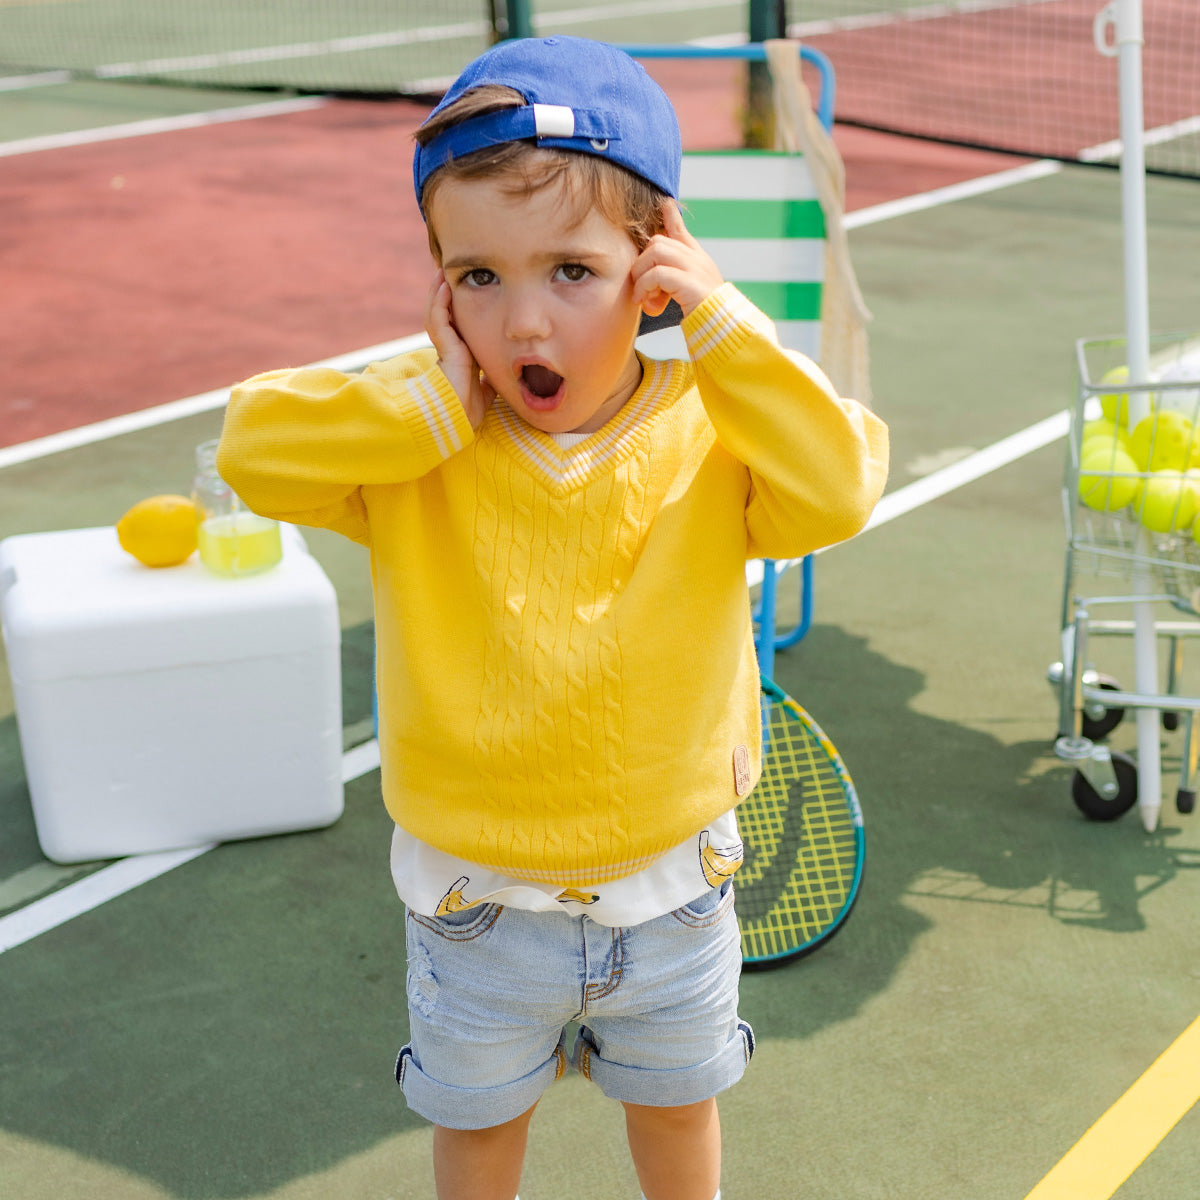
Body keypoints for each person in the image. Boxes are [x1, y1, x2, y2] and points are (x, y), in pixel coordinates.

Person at [217, 34, 889, 1200]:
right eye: (479, 276)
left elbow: (840, 485)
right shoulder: (420, 437)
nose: (523, 322)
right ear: (439, 288)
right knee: (478, 1140)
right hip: (476, 913)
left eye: (570, 272)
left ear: (658, 267)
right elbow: (252, 448)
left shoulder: (714, 432)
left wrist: (727, 327)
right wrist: (423, 401)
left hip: (676, 895)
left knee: (678, 1124)